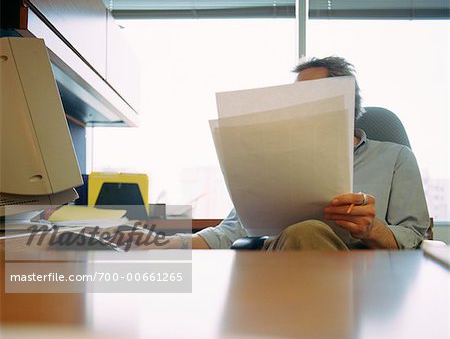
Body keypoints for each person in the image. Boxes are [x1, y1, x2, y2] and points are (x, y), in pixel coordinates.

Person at [127, 56, 430, 250]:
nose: (297, 107)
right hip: (288, 267)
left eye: (307, 97)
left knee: (310, 232)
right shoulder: (277, 161)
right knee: (307, 232)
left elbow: (414, 235)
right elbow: (230, 232)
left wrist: (371, 228)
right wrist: (153, 243)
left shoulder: (396, 158)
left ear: (345, 102)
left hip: (367, 278)